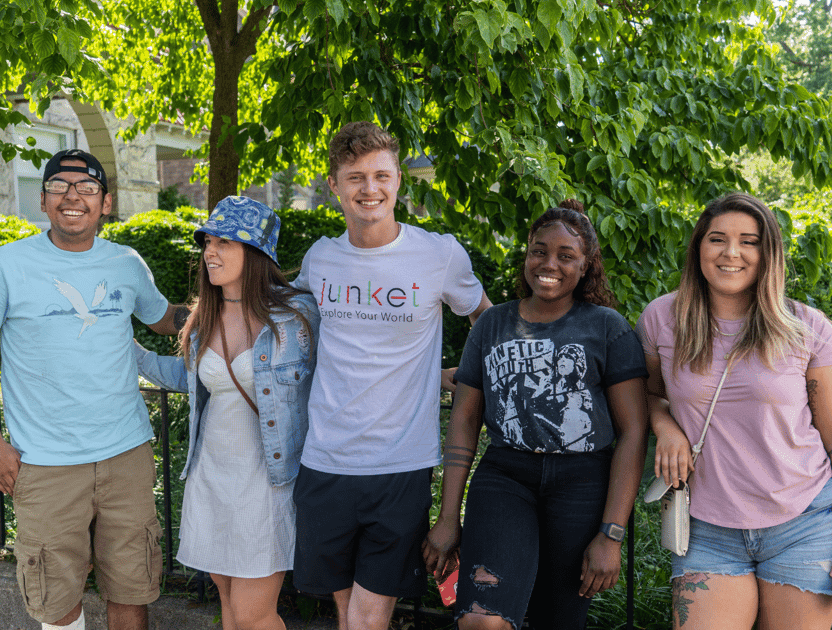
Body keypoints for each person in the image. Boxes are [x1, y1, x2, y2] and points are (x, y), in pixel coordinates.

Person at [290, 121, 491, 630]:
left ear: (399, 179)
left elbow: (486, 322)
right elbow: (284, 321)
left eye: (381, 175)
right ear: (333, 185)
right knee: (346, 609)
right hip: (324, 459)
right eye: (355, 177)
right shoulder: (320, 258)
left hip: (400, 463)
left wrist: (467, 375)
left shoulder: (438, 254)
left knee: (370, 612)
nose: (370, 188)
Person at [423, 200, 649, 630]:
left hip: (583, 484)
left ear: (585, 266)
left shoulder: (607, 327)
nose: (550, 263)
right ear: (526, 255)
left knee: (558, 621)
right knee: (480, 620)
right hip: (506, 476)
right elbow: (465, 422)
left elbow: (634, 432)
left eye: (566, 256)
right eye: (539, 251)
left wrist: (612, 532)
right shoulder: (492, 325)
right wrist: (448, 516)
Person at [0, 149, 183, 630]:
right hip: (45, 463)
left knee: (132, 587)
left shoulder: (126, 262)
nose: (72, 196)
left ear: (106, 203)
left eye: (87, 187)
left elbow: (164, 320)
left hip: (126, 455)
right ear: (42, 201)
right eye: (59, 186)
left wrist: (237, 299)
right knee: (55, 600)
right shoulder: (8, 264)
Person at [637, 192, 832, 630]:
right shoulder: (662, 319)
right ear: (698, 248)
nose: (731, 253)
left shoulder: (808, 328)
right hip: (707, 526)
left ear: (769, 253)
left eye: (749, 241)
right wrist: (665, 425)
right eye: (717, 239)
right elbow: (647, 394)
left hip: (805, 520)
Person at [133, 196, 319, 630]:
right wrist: (128, 348)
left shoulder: (297, 317)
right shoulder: (204, 316)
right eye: (208, 242)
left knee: (256, 615)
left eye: (224, 243)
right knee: (232, 611)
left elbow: (347, 370)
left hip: (267, 483)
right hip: (211, 477)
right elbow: (185, 379)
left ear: (256, 254)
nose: (210, 252)